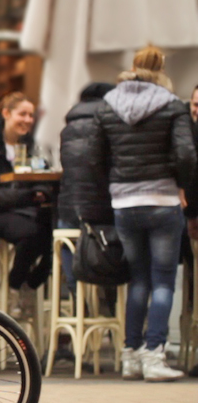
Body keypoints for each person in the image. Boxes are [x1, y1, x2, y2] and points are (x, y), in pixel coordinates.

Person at [91, 46, 195, 382]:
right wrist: (182, 188)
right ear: (161, 68)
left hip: (124, 202)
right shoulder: (172, 104)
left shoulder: (108, 105)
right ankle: (154, 355)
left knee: (138, 280)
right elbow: (186, 154)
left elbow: (95, 156)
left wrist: (115, 184)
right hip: (163, 199)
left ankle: (130, 355)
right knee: (164, 281)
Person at [0, 92, 52, 318]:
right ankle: (16, 287)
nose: (27, 120)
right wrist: (26, 197)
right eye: (22, 114)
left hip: (25, 211)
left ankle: (27, 285)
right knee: (33, 233)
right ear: (6, 113)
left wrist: (41, 192)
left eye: (31, 115)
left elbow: (43, 176)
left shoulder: (31, 146)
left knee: (55, 232)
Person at [57, 83, 114, 298]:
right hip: (102, 213)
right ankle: (108, 308)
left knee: (67, 242)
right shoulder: (109, 124)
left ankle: (78, 301)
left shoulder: (67, 129)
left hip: (68, 209)